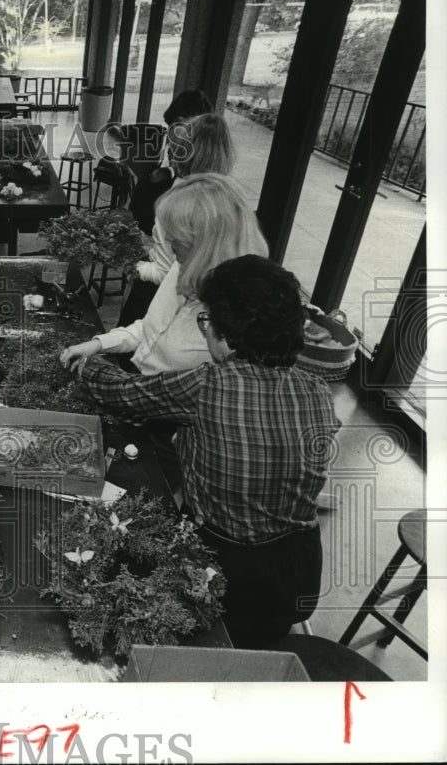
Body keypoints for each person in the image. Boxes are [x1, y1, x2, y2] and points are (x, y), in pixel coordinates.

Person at [77, 255, 342, 648]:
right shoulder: (318, 390)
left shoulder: (209, 385)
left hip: (225, 575)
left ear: (225, 333)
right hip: (297, 572)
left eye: (207, 322)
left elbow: (123, 394)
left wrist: (87, 366)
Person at [60, 173, 268, 376]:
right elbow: (150, 329)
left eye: (175, 234)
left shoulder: (240, 313)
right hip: (142, 383)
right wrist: (98, 344)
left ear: (206, 242)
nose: (167, 241)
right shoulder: (184, 266)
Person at [117, 113, 237, 327]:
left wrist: (127, 264)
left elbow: (165, 273)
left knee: (128, 356)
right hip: (202, 305)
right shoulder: (228, 195)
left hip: (159, 301)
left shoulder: (177, 201)